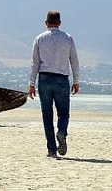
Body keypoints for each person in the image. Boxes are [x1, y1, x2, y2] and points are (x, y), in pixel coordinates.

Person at [28, 10, 80, 158]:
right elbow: (74, 61)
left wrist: (31, 83)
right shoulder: (68, 39)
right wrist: (76, 81)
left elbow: (34, 63)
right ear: (60, 23)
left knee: (47, 115)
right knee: (63, 113)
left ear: (46, 23)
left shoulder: (39, 39)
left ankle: (51, 150)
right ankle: (62, 131)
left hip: (44, 79)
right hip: (62, 79)